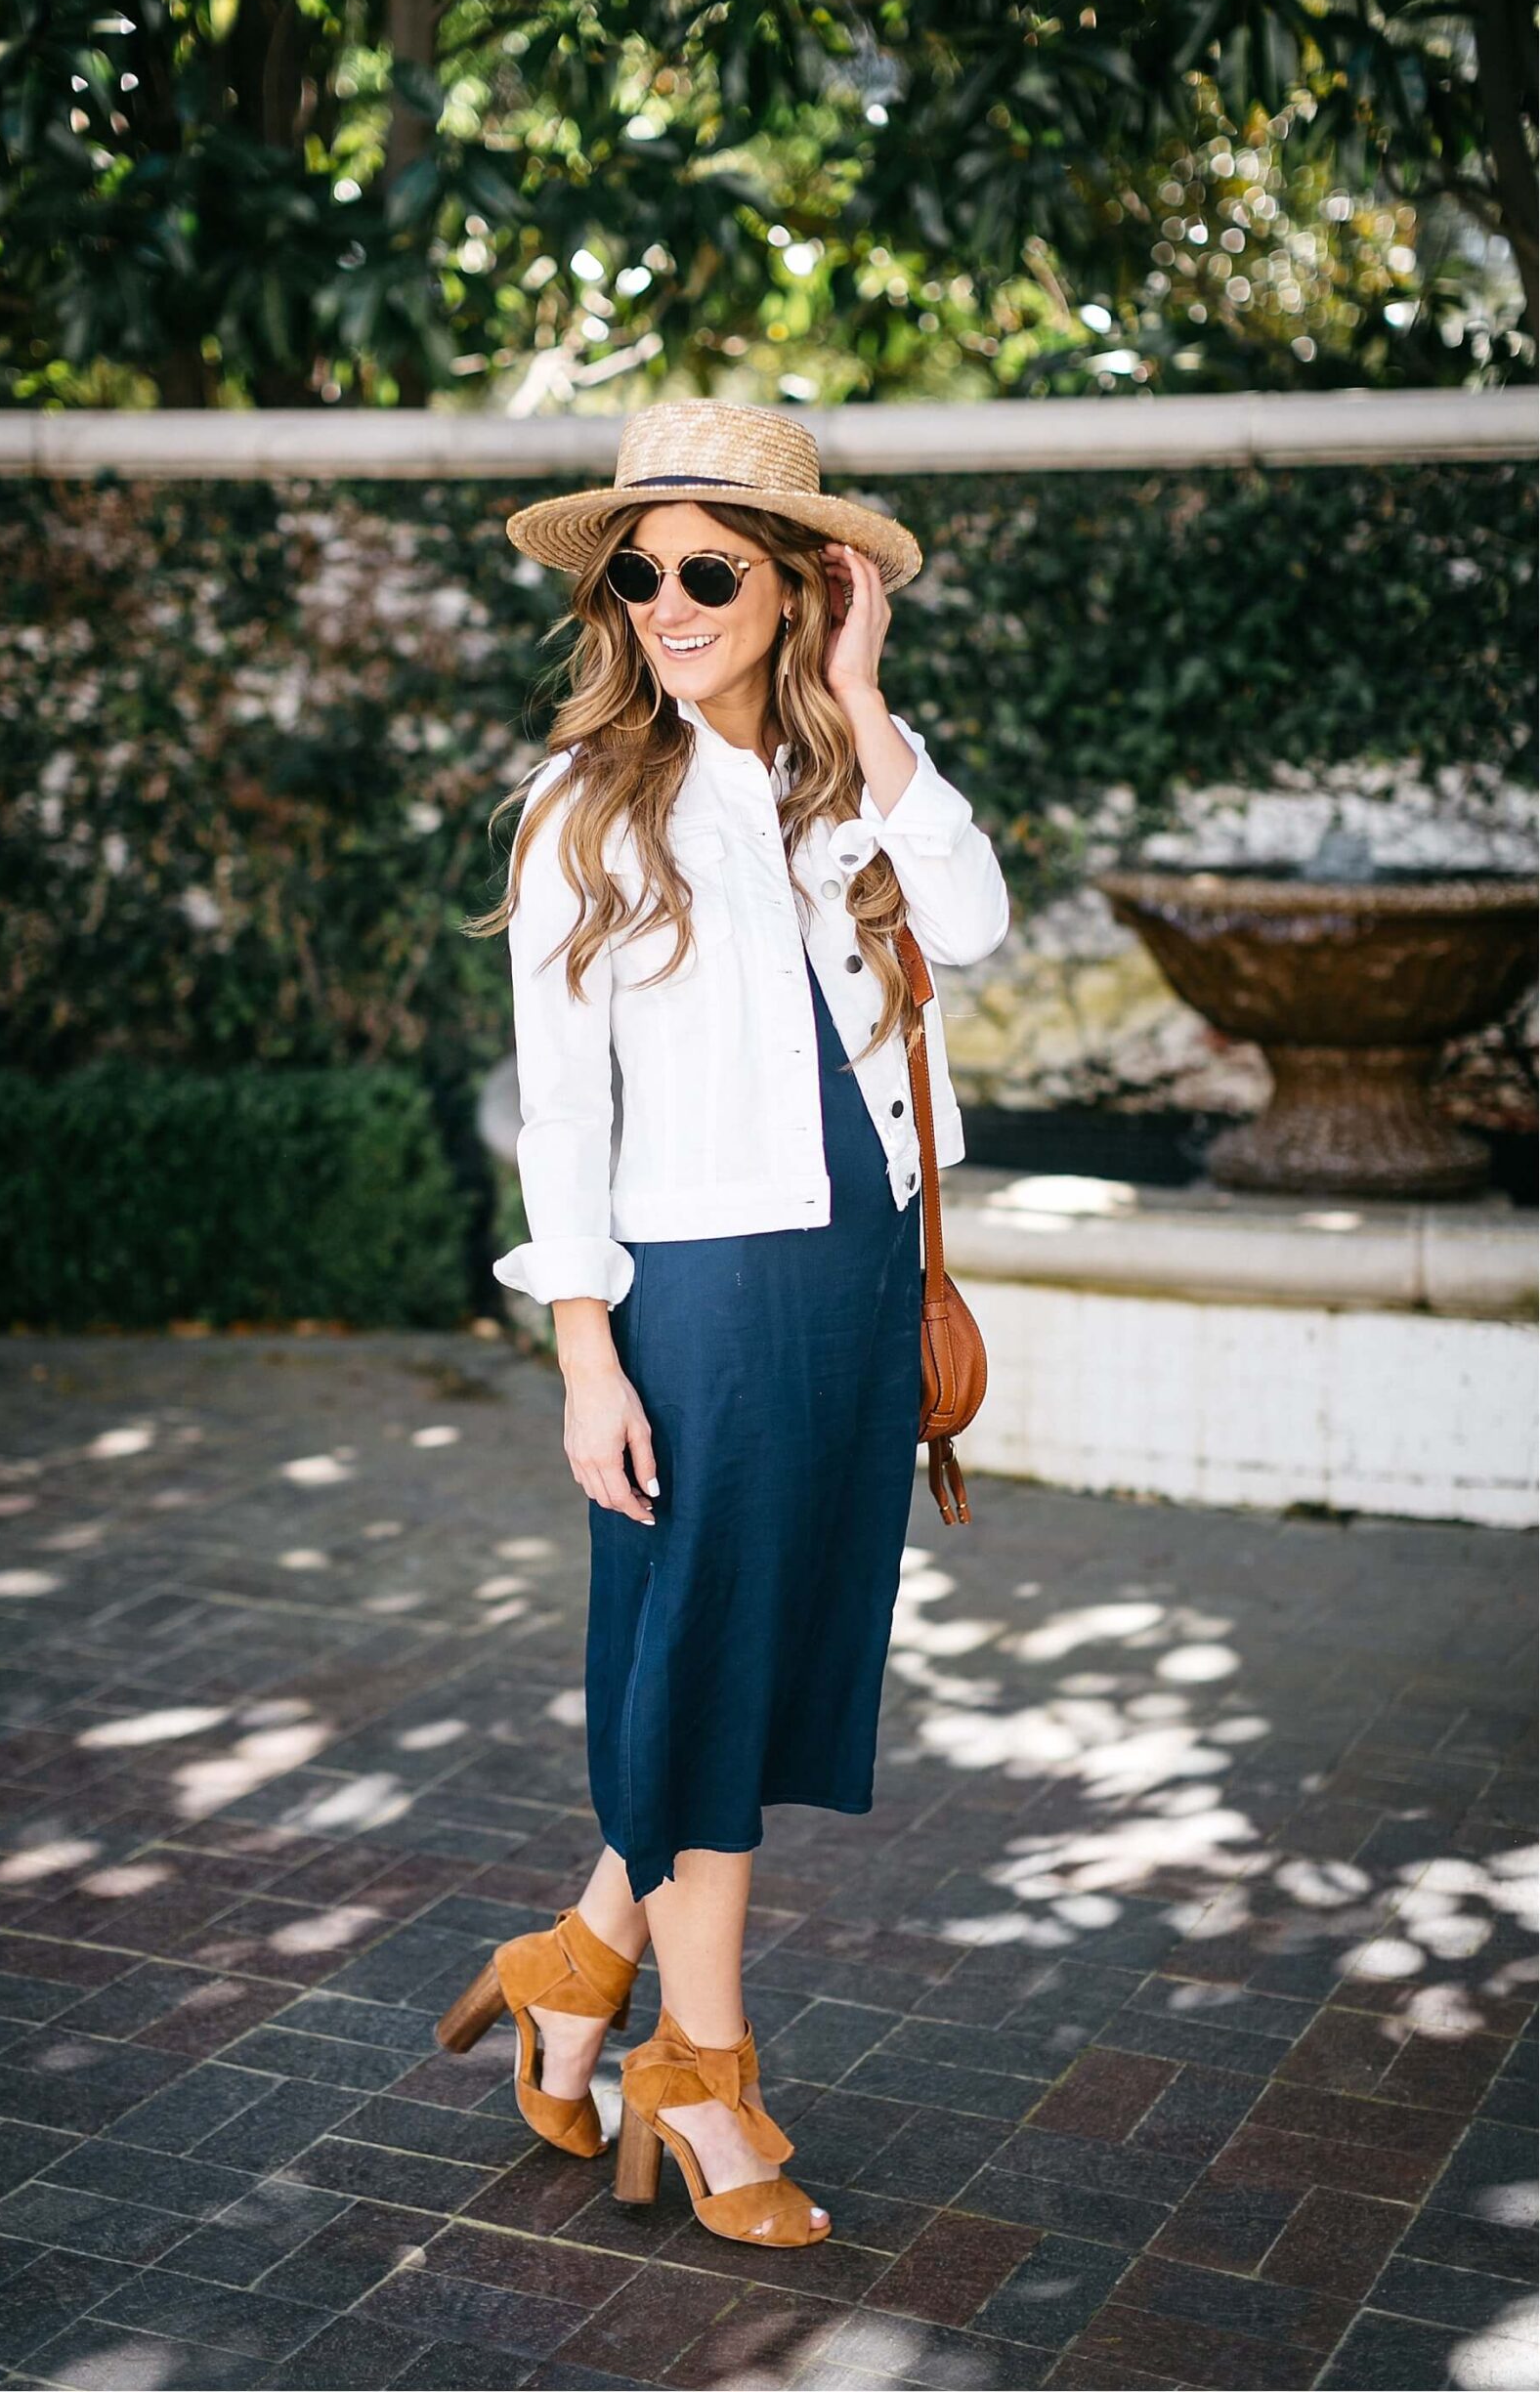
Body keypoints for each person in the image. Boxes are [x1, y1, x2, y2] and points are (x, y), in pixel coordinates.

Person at [450, 400, 1010, 2248]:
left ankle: (570, 1968)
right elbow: (566, 1111)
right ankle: (703, 2072)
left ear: (796, 587)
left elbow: (983, 922)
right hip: (696, 1297)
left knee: (753, 1663)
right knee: (700, 1650)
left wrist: (868, 702)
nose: (669, 601)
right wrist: (586, 1353)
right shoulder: (582, 806)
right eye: (642, 570)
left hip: (858, 1269)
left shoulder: (854, 778)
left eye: (712, 569)